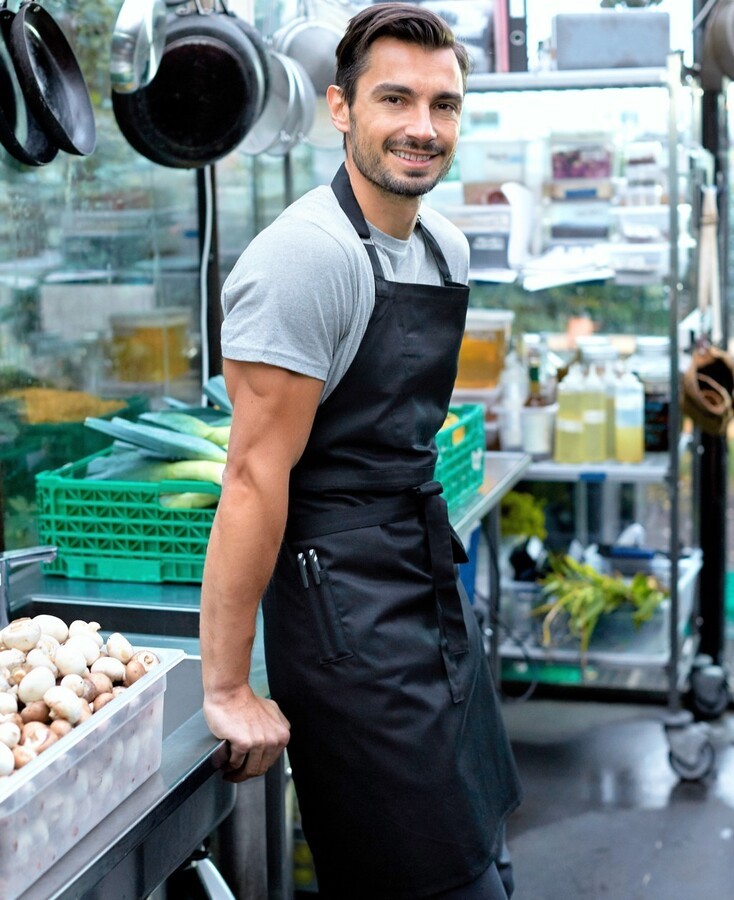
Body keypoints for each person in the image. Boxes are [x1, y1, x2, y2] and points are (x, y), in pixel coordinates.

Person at [200, 4, 522, 897]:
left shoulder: (444, 248)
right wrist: (228, 689)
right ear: (340, 109)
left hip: (423, 586)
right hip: (343, 616)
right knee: (421, 875)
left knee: (482, 844)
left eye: (445, 105)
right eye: (396, 99)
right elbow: (253, 478)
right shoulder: (307, 259)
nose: (424, 128)